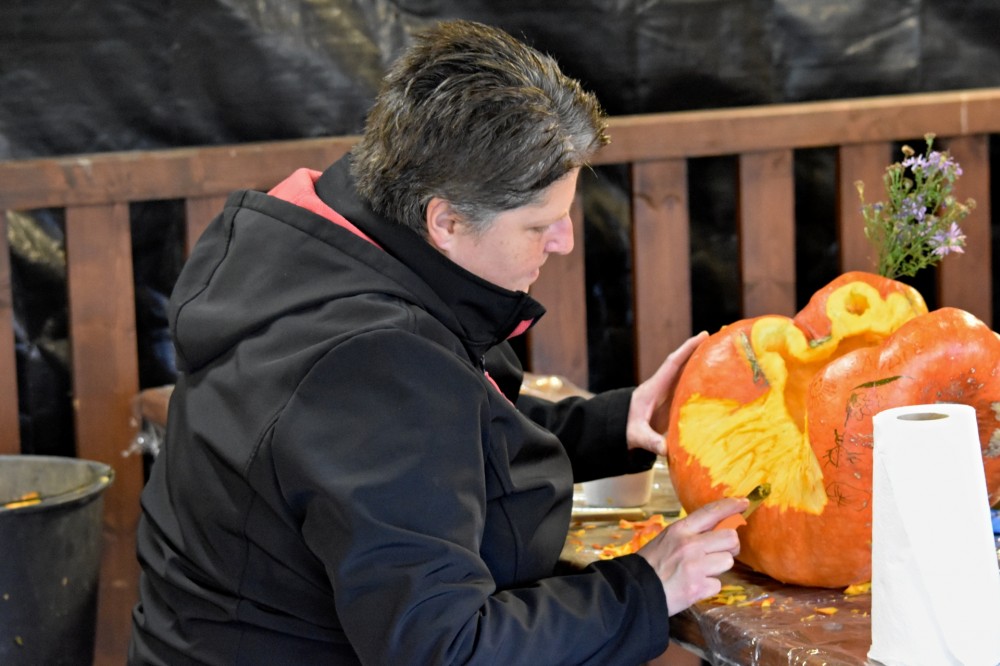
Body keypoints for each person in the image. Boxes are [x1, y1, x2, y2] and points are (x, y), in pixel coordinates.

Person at [129, 19, 745, 665]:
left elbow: (437, 442)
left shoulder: (321, 253)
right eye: (539, 224)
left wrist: (615, 424)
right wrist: (645, 587)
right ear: (445, 220)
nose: (564, 241)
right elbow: (444, 647)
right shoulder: (372, 361)